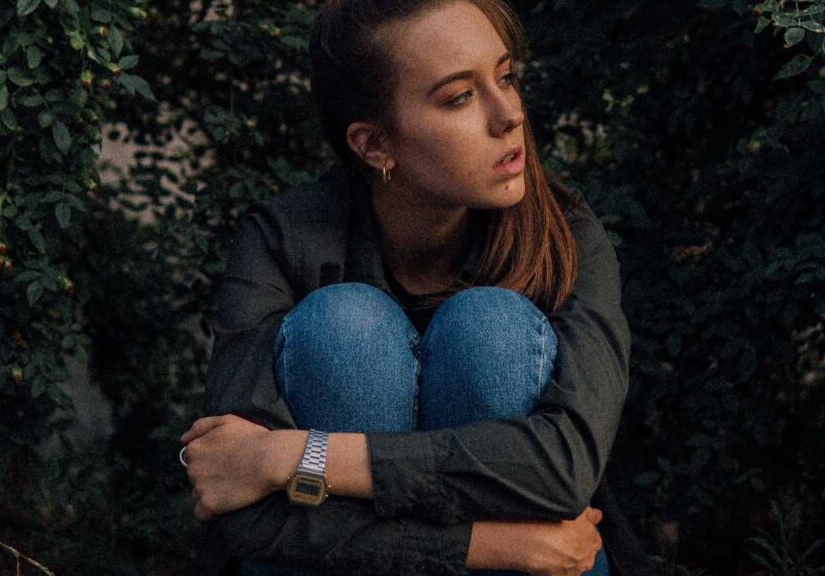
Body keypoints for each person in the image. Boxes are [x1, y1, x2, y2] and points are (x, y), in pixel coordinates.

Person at [179, 1, 657, 575]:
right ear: (375, 146)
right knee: (346, 326)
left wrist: (297, 457)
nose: (509, 115)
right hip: (515, 557)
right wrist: (485, 546)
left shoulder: (566, 235)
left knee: (490, 327)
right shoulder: (283, 239)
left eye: (505, 77)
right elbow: (238, 502)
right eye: (460, 97)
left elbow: (562, 470)